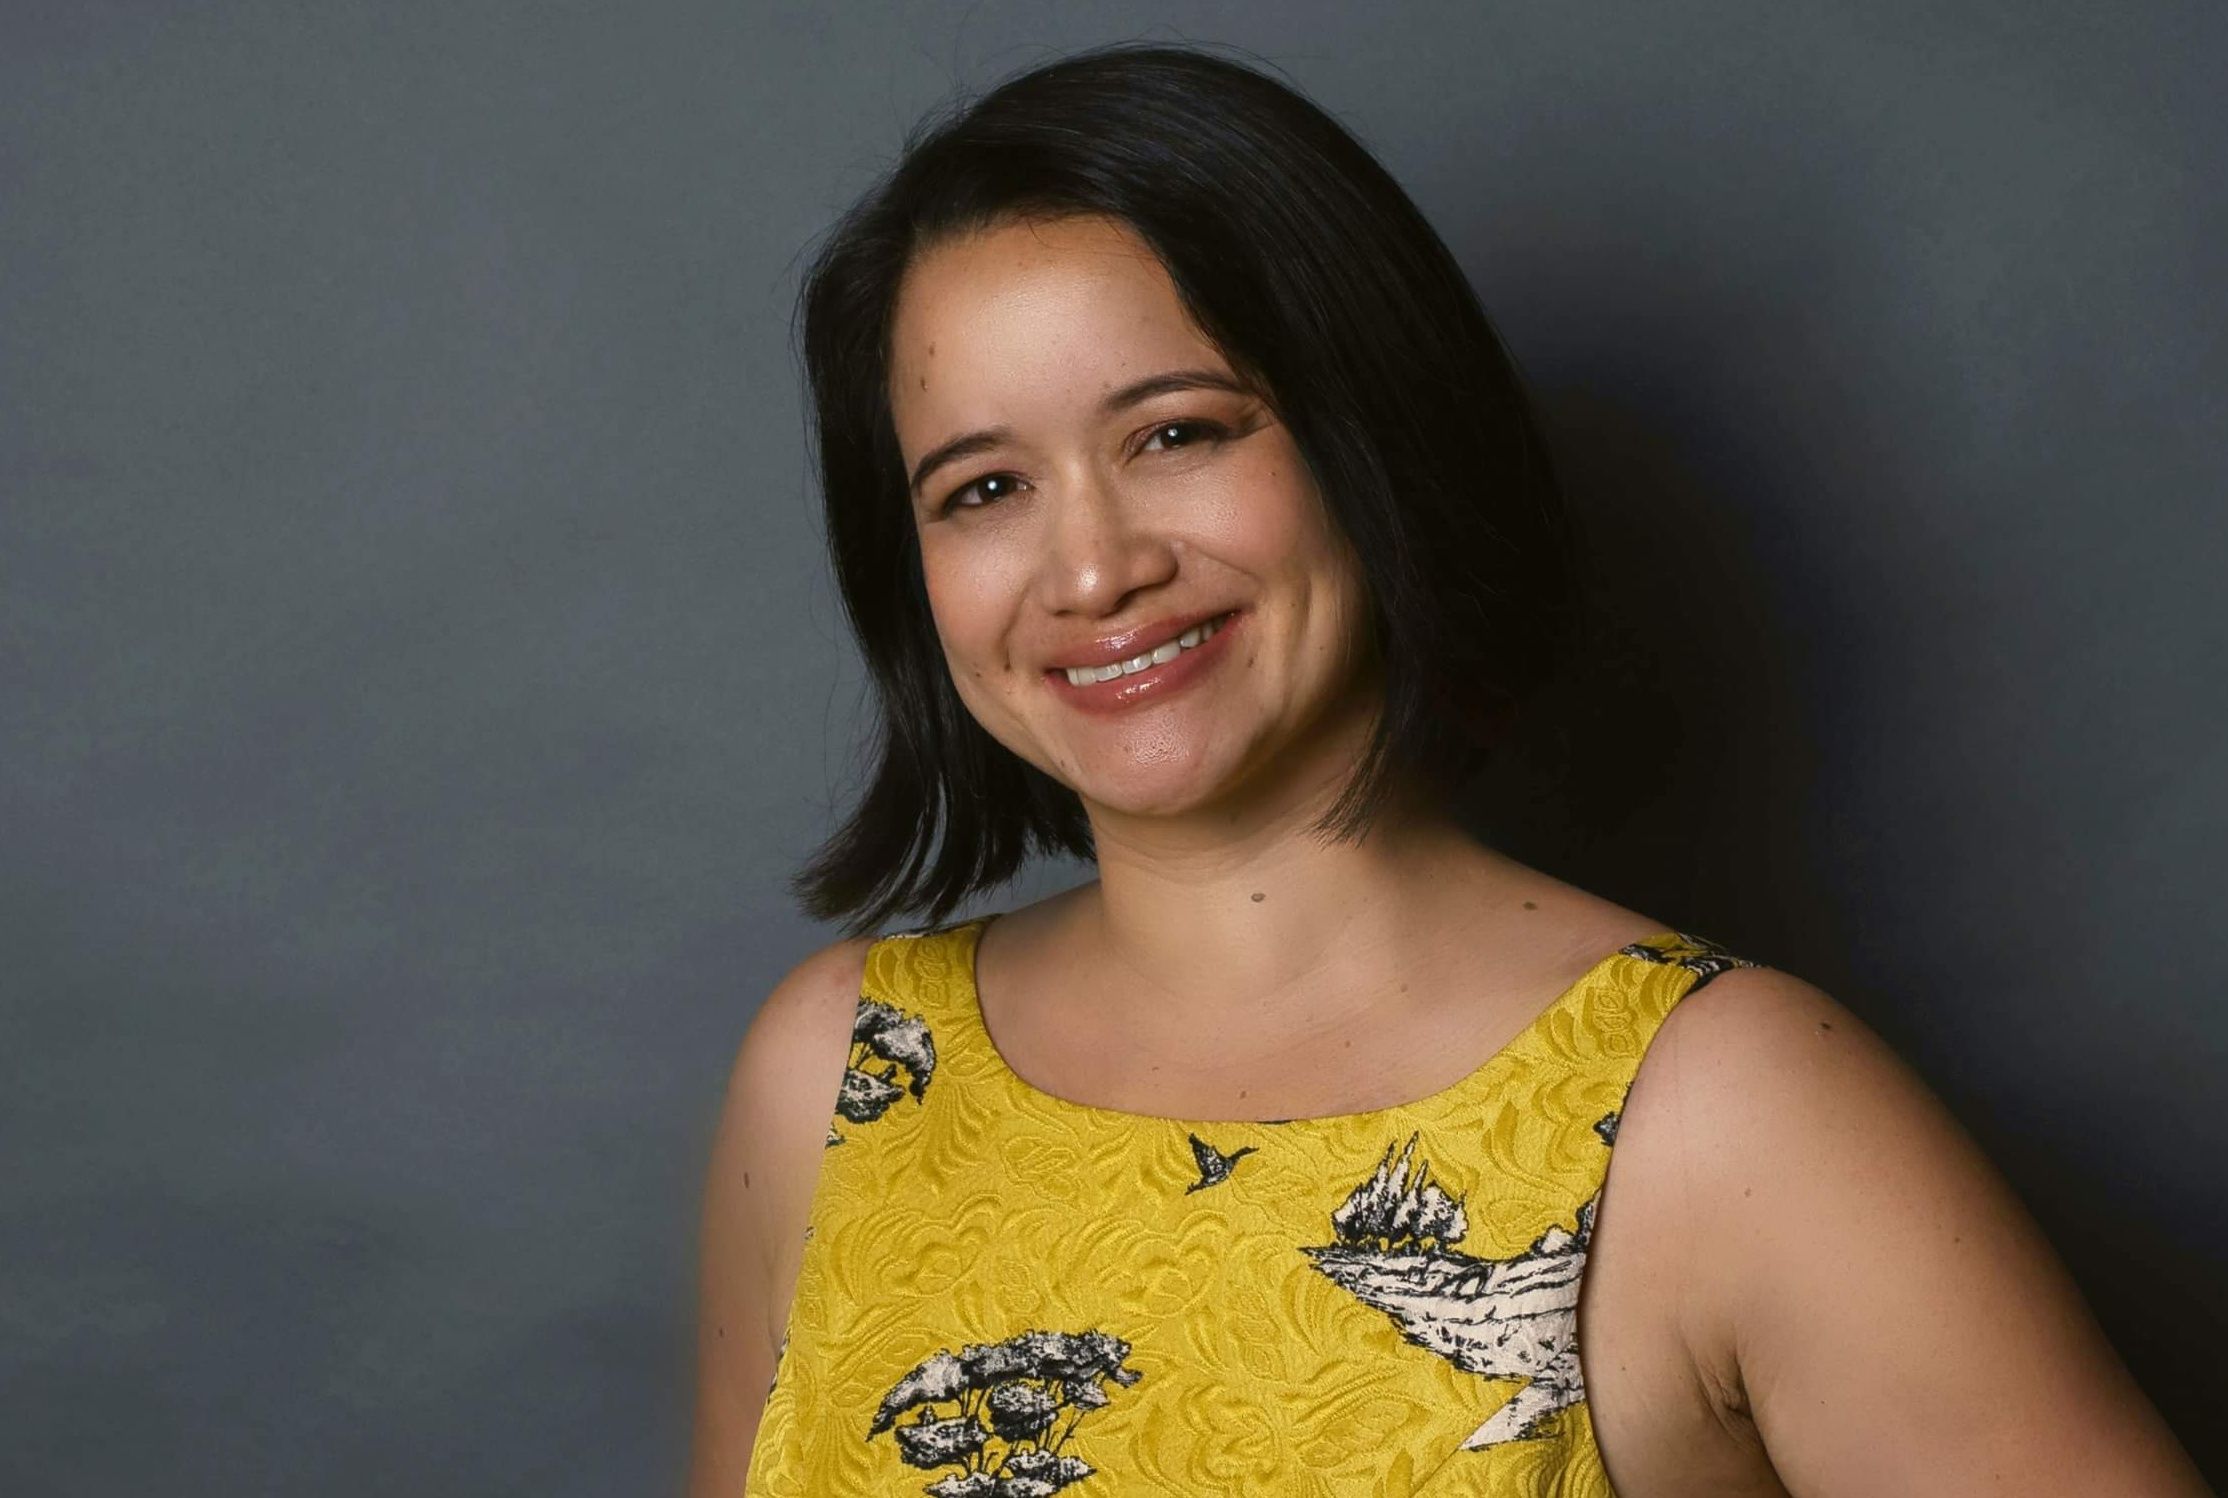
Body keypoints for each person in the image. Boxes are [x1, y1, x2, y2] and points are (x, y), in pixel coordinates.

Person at [690, 41, 2210, 1498]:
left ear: (1373, 432)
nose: (1092, 566)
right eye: (987, 487)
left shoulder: (1725, 1114)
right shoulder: (832, 1080)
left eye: (1178, 432)